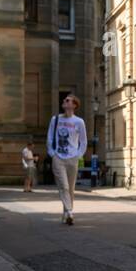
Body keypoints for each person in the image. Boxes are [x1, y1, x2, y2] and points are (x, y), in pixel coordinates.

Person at [46, 93, 87, 225]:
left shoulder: (79, 122)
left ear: (74, 105)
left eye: (68, 100)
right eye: (64, 100)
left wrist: (78, 155)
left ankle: (65, 213)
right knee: (63, 186)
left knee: (70, 188)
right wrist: (52, 153)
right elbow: (50, 137)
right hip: (58, 157)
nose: (64, 101)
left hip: (72, 158)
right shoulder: (56, 119)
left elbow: (83, 141)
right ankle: (69, 211)